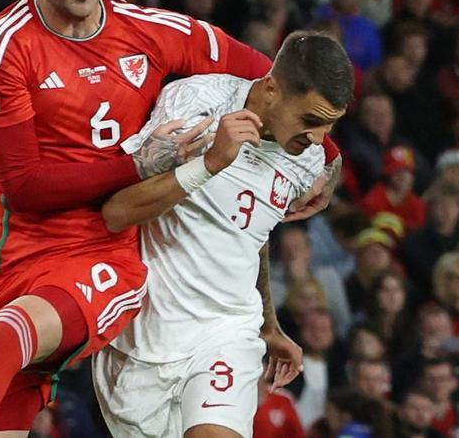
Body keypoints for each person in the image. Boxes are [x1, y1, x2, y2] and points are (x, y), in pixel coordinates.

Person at [0, 0, 337, 434]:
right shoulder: (4, 46)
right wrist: (140, 164)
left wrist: (327, 149)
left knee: (13, 330)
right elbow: (25, 187)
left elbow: (274, 75)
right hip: (13, 249)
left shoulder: (152, 31)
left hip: (104, 248)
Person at [91, 32, 353, 437]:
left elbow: (251, 231)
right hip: (145, 343)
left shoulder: (307, 162)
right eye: (311, 121)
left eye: (329, 126)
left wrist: (267, 323)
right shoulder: (197, 105)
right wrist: (210, 163)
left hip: (228, 335)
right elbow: (117, 211)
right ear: (271, 89)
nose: (319, 139)